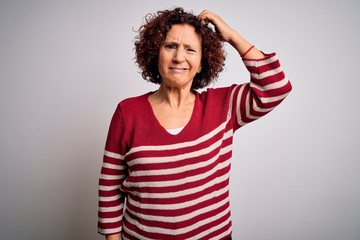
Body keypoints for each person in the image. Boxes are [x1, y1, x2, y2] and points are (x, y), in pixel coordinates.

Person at [98, 7, 292, 240]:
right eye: (170, 46)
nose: (179, 57)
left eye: (190, 49)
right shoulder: (127, 112)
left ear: (202, 62)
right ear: (155, 53)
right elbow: (110, 185)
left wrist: (231, 36)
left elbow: (275, 87)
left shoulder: (223, 106)